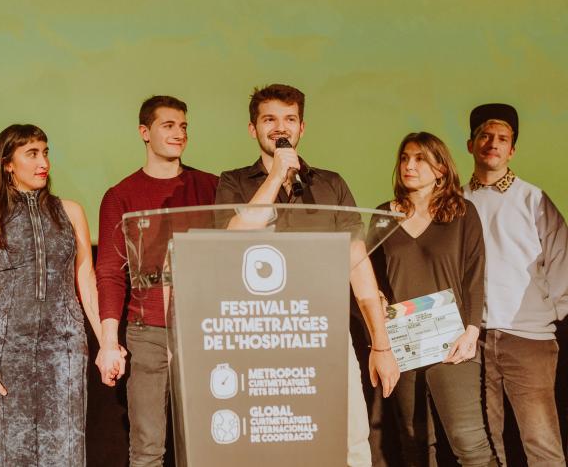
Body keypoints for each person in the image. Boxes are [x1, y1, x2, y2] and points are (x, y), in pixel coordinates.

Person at [215, 83, 399, 467]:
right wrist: (275, 176)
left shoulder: (331, 184)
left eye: (289, 119)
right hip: (260, 334)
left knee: (350, 441)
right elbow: (232, 240)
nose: (280, 128)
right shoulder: (233, 182)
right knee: (273, 448)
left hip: (324, 329)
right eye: (269, 120)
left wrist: (381, 345)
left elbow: (357, 264)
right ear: (253, 129)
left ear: (302, 128)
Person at [0, 124, 117, 466]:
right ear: (8, 164)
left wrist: (106, 344)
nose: (43, 163)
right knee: (10, 449)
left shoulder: (70, 211)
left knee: (64, 448)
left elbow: (86, 280)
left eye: (45, 153)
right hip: (9, 350)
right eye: (32, 154)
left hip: (64, 347)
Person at [95, 95, 218, 467]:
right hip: (147, 332)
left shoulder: (211, 187)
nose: (179, 134)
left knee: (210, 444)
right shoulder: (121, 196)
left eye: (183, 126)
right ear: (144, 132)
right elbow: (110, 273)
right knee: (148, 449)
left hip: (204, 330)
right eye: (168, 126)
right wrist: (109, 342)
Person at [370, 132, 496, 466]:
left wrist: (472, 331)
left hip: (452, 341)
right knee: (414, 443)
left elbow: (474, 275)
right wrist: (378, 302)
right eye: (405, 158)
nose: (409, 166)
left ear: (441, 169)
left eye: (420, 159)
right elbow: (373, 277)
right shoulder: (383, 215)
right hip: (403, 342)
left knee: (469, 443)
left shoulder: (463, 212)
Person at [463, 103, 568, 467]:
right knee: (486, 442)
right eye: (485, 136)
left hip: (528, 337)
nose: (493, 143)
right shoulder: (456, 201)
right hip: (474, 339)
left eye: (502, 138)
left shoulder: (533, 199)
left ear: (512, 150)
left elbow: (561, 259)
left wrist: (549, 314)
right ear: (471, 144)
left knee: (540, 440)